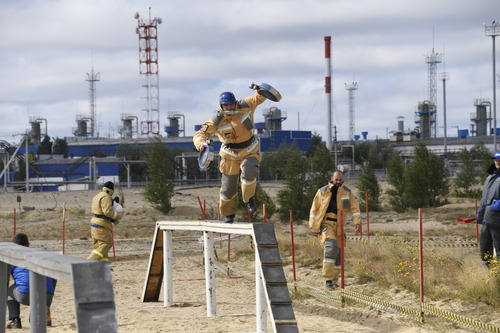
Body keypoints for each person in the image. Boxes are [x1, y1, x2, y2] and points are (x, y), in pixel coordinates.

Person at [193, 83, 279, 223]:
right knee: (228, 188)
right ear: (221, 106)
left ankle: (249, 199)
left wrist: (260, 90)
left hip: (249, 149)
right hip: (229, 154)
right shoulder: (216, 120)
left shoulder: (246, 105)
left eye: (231, 104)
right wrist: (201, 144)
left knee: (249, 172)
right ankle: (229, 214)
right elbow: (200, 133)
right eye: (225, 105)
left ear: (234, 103)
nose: (229, 107)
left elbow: (259, 97)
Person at [308, 170, 362, 290]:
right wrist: (313, 226)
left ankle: (334, 281)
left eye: (340, 179)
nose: (338, 182)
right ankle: (327, 279)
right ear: (331, 178)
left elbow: (354, 209)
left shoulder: (347, 192)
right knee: (331, 249)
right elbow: (314, 210)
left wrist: (357, 222)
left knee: (338, 255)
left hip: (340, 226)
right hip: (326, 224)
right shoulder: (322, 191)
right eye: (336, 179)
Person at [7, 233, 56, 329]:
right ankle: (42, 309)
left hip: (26, 296)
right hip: (47, 296)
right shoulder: (41, 254)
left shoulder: (14, 258)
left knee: (9, 290)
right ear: (28, 244)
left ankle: (15, 321)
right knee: (51, 277)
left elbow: (5, 275)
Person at [87, 181, 124, 262]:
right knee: (106, 244)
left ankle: (104, 266)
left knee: (100, 246)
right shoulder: (106, 197)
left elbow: (99, 211)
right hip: (102, 224)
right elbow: (107, 212)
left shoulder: (96, 196)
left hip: (94, 223)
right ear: (110, 189)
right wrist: (118, 215)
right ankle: (89, 262)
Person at [477, 152, 500, 266]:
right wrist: (480, 214)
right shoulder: (490, 177)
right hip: (487, 218)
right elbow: (484, 198)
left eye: (499, 160)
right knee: (485, 248)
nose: (497, 162)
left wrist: (496, 206)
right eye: (496, 160)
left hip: (497, 219)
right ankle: (492, 276)